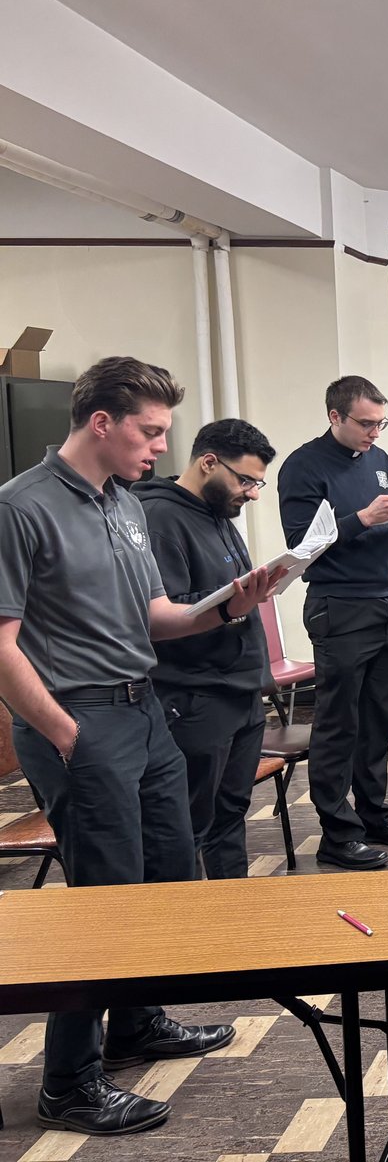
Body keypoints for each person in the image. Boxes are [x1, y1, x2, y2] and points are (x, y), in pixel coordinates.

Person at [0, 356, 282, 1135]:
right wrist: (64, 732)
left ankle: (134, 1022)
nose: (161, 447)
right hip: (81, 720)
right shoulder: (20, 507)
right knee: (104, 900)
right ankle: (68, 1081)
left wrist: (227, 609)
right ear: (102, 423)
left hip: (145, 709)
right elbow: (1, 643)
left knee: (165, 872)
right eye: (150, 432)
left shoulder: (123, 503)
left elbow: (154, 612)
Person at [277, 376, 388, 870]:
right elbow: (303, 545)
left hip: (387, 604)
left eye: (379, 423)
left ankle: (374, 815)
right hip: (338, 607)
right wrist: (359, 519)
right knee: (338, 725)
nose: (374, 433)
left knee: (378, 721)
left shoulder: (380, 461)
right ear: (335, 417)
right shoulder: (302, 467)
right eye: (365, 423)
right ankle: (337, 835)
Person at [134, 418, 278, 878]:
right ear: (208, 462)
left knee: (230, 815)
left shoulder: (219, 514)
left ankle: (231, 923)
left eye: (258, 483)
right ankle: (187, 935)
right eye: (246, 480)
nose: (252, 493)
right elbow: (162, 613)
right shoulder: (158, 517)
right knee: (188, 828)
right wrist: (234, 604)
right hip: (194, 695)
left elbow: (229, 594)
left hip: (239, 690)